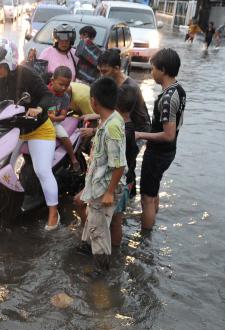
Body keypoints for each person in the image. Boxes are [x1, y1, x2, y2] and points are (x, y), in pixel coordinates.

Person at [0, 39, 60, 230]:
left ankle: (53, 214)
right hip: (13, 130)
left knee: (42, 171)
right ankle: (5, 204)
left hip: (38, 129)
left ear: (9, 62)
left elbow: (47, 95)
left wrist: (38, 108)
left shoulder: (28, 74)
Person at [78, 77, 126, 272]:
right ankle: (84, 253)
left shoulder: (112, 127)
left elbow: (120, 164)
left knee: (99, 232)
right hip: (98, 183)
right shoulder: (111, 119)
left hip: (104, 188)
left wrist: (109, 192)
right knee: (92, 222)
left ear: (94, 101)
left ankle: (101, 273)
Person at [135, 48, 186, 231]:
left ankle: (145, 238)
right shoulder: (178, 89)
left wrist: (140, 134)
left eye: (153, 68)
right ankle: (152, 224)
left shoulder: (167, 98)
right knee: (154, 189)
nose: (151, 72)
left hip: (159, 153)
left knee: (147, 197)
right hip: (168, 152)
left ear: (162, 70)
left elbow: (168, 134)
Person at [96, 49, 151, 198]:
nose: (102, 75)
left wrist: (96, 128)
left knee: (125, 164)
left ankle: (125, 196)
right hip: (124, 125)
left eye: (105, 71)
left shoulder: (129, 88)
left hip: (138, 130)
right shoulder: (113, 82)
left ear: (117, 68)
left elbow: (117, 115)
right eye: (100, 71)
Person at [48, 66, 80, 171]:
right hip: (41, 121)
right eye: (61, 84)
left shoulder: (65, 97)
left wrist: (54, 118)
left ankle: (73, 158)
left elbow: (63, 116)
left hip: (54, 122)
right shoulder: (45, 91)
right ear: (52, 81)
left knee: (64, 136)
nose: (63, 88)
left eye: (66, 85)